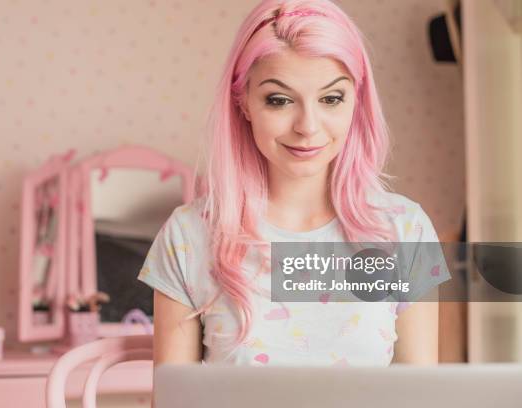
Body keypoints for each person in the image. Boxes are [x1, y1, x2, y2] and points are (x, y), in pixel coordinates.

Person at [137, 0, 451, 376]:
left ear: (357, 101)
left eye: (331, 98)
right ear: (244, 103)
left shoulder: (405, 229)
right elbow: (174, 401)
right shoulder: (187, 236)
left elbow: (419, 395)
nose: (308, 126)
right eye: (279, 100)